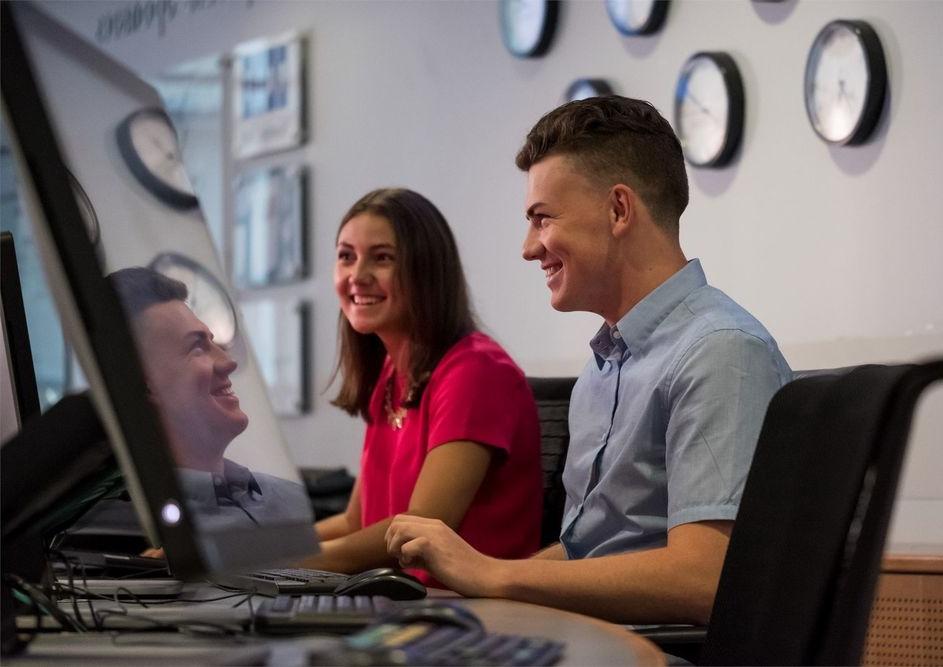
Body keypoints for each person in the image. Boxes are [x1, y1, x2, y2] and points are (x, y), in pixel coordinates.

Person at [385, 96, 792, 624]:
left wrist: (493, 573)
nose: (529, 248)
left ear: (618, 210)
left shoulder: (721, 352)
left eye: (542, 219)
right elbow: (591, 555)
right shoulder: (604, 366)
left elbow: (707, 578)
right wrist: (482, 597)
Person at [302, 188, 541, 583]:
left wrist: (273, 562)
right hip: (400, 602)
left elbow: (418, 533)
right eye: (346, 256)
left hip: (472, 614)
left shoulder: (477, 370)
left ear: (427, 269)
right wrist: (247, 549)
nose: (357, 277)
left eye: (382, 258)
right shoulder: (392, 374)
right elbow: (354, 521)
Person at [107, 266, 312, 530]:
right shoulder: (125, 529)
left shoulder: (291, 501)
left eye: (214, 343)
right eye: (197, 348)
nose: (228, 362)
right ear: (143, 384)